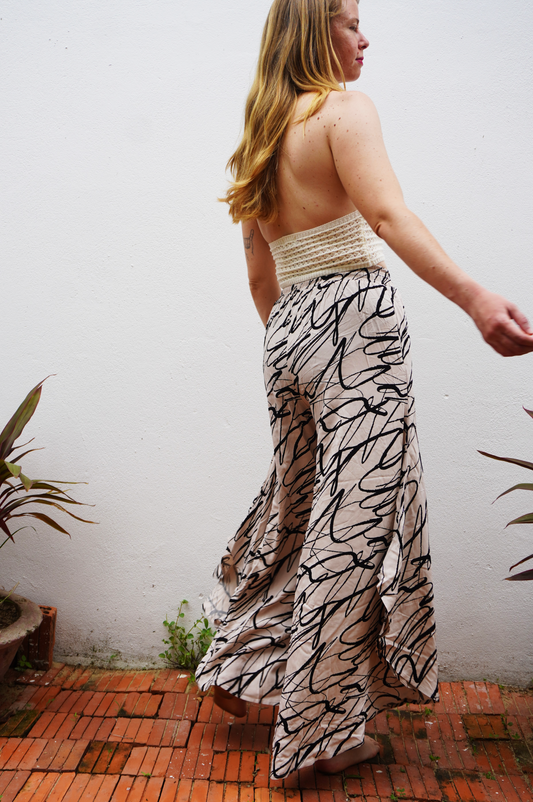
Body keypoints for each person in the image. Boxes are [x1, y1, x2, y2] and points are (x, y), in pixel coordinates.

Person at [195, 0, 533, 779]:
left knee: (302, 508)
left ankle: (249, 663)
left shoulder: (259, 141)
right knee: (356, 532)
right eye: (350, 21)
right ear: (317, 31)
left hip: (288, 334)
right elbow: (385, 215)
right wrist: (476, 298)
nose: (364, 36)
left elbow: (259, 277)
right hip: (354, 323)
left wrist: (298, 344)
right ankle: (318, 738)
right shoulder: (342, 112)